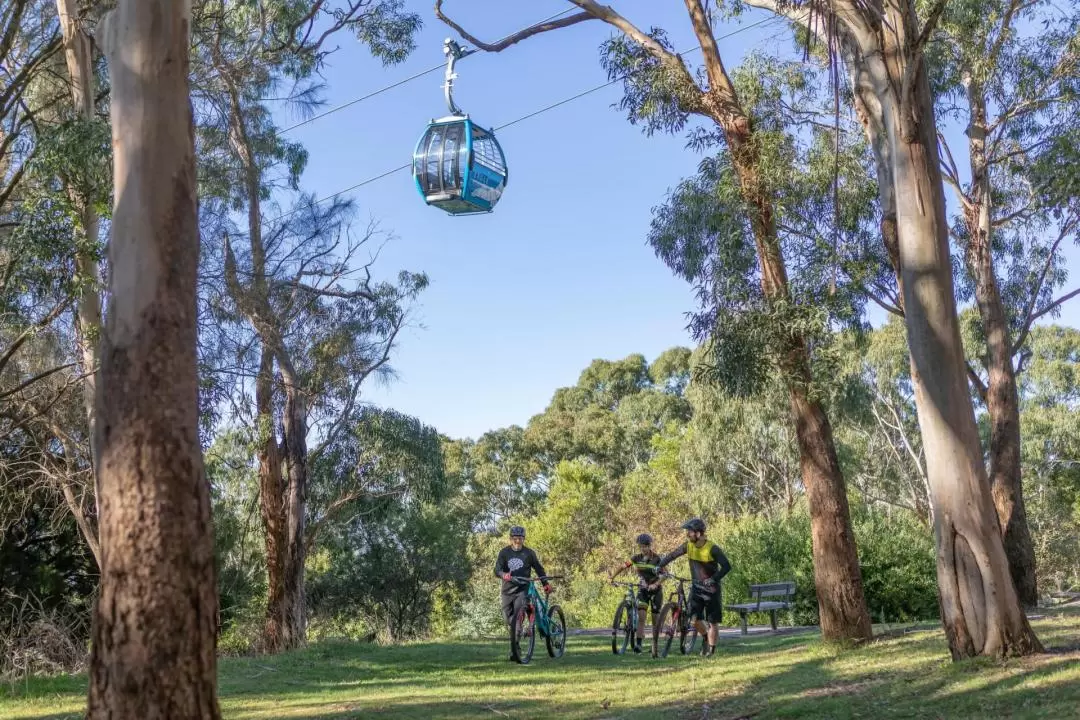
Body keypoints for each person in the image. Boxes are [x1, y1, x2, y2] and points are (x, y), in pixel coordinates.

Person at [656, 517, 731, 657]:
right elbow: (673, 555)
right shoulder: (688, 546)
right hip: (696, 588)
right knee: (694, 619)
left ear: (698, 533)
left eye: (689, 532)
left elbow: (727, 567)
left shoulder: (712, 548)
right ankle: (705, 638)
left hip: (711, 590)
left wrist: (713, 579)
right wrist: (660, 565)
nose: (687, 534)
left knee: (712, 622)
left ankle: (711, 651)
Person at [494, 525, 550, 660]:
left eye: (520, 538)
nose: (517, 541)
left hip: (523, 588)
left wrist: (545, 584)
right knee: (508, 619)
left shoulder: (529, 553)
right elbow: (497, 569)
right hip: (507, 590)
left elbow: (539, 569)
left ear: (524, 539)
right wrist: (503, 574)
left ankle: (515, 650)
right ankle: (516, 645)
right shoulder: (504, 553)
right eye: (515, 538)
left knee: (518, 619)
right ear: (510, 539)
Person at [608, 533, 663, 654]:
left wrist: (656, 584)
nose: (643, 549)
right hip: (643, 589)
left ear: (649, 546)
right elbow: (623, 566)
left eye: (645, 546)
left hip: (655, 591)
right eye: (641, 546)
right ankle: (638, 645)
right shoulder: (636, 558)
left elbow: (665, 575)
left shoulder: (657, 559)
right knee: (641, 617)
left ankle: (655, 645)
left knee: (655, 620)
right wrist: (612, 577)